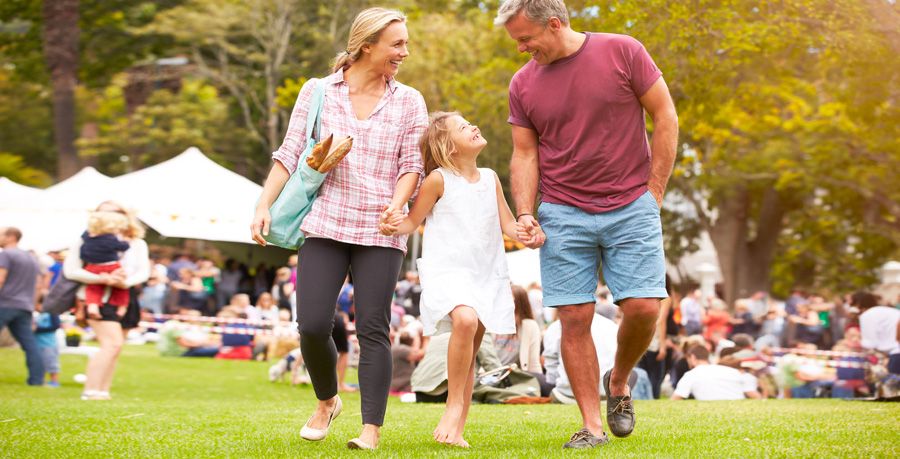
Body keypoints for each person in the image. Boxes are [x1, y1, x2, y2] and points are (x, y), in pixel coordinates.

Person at [495, 0, 678, 448]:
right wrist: (525, 212)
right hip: (562, 210)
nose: (520, 49)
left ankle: (619, 380)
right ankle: (592, 425)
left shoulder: (623, 50)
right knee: (574, 316)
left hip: (631, 203)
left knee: (643, 309)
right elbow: (524, 153)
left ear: (554, 25)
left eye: (525, 38)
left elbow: (665, 116)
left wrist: (654, 193)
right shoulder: (523, 83)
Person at [250, 7, 429, 450]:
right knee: (310, 323)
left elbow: (413, 165)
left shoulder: (409, 100)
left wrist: (397, 204)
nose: (404, 52)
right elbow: (289, 152)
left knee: (372, 325)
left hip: (381, 229)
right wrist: (263, 204)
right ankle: (327, 401)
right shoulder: (318, 92)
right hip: (326, 221)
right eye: (397, 44)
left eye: (404, 44)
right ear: (366, 45)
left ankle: (371, 429)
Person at [379, 111, 541, 447]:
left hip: (486, 272)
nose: (474, 126)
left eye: (470, 123)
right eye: (464, 127)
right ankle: (453, 407)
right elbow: (412, 223)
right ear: (448, 147)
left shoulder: (490, 178)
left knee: (470, 350)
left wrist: (528, 231)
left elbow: (508, 225)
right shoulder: (438, 180)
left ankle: (457, 430)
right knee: (465, 321)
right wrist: (393, 223)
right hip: (449, 269)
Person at [63, 201, 150, 400]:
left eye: (113, 212)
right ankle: (90, 390)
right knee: (111, 344)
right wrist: (102, 278)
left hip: (126, 296)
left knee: (116, 348)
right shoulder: (86, 240)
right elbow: (71, 270)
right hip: (96, 296)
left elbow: (143, 272)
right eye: (101, 212)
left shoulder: (136, 243)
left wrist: (125, 283)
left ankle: (102, 391)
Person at [0, 227, 45, 386]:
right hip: (25, 306)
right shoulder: (31, 257)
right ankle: (37, 379)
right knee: (30, 345)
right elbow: (38, 285)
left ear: (11, 237)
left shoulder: (6, 254)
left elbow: (0, 279)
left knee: (29, 344)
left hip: (4, 304)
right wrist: (32, 306)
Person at [79, 211, 132, 319]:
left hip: (92, 267)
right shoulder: (111, 239)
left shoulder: (88, 237)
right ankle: (122, 307)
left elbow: (84, 235)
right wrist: (126, 242)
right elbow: (123, 247)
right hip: (111, 266)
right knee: (120, 287)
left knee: (93, 288)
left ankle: (92, 306)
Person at [493, 284, 544, 387]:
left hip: (516, 377)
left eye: (511, 301)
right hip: (491, 375)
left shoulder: (530, 326)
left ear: (520, 303)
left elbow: (533, 362)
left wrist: (538, 384)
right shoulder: (494, 323)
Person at [670, 345, 761, 401]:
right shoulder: (730, 370)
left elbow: (675, 399)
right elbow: (754, 395)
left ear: (692, 357)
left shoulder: (691, 374)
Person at [854, 291, 900, 375]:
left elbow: (870, 343)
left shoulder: (868, 315)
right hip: (895, 352)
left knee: (893, 385)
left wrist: (858, 340)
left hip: (896, 354)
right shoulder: (889, 311)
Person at [34, 310, 62, 387]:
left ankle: (54, 381)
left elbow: (56, 326)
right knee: (40, 363)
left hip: (49, 343)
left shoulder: (52, 313)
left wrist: (37, 329)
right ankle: (41, 380)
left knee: (51, 362)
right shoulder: (37, 315)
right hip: (38, 343)